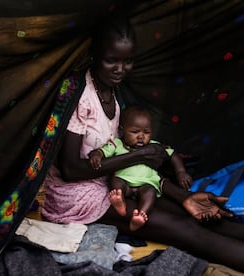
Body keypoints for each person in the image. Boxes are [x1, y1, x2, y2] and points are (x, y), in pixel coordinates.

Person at [41, 15, 244, 272]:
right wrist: (141, 155)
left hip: (116, 182)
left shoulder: (112, 91)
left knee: (198, 213)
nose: (120, 69)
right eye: (111, 60)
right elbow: (71, 170)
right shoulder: (78, 95)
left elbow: (132, 164)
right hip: (77, 198)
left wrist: (184, 196)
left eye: (127, 61)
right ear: (94, 54)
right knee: (185, 229)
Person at [88, 106, 192, 231]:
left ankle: (140, 216)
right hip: (125, 184)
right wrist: (97, 154)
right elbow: (103, 151)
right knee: (116, 181)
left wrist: (181, 172)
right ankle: (120, 202)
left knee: (150, 192)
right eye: (135, 132)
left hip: (146, 185)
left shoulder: (155, 146)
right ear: (122, 131)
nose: (141, 136)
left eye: (146, 132)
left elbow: (173, 154)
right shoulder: (117, 143)